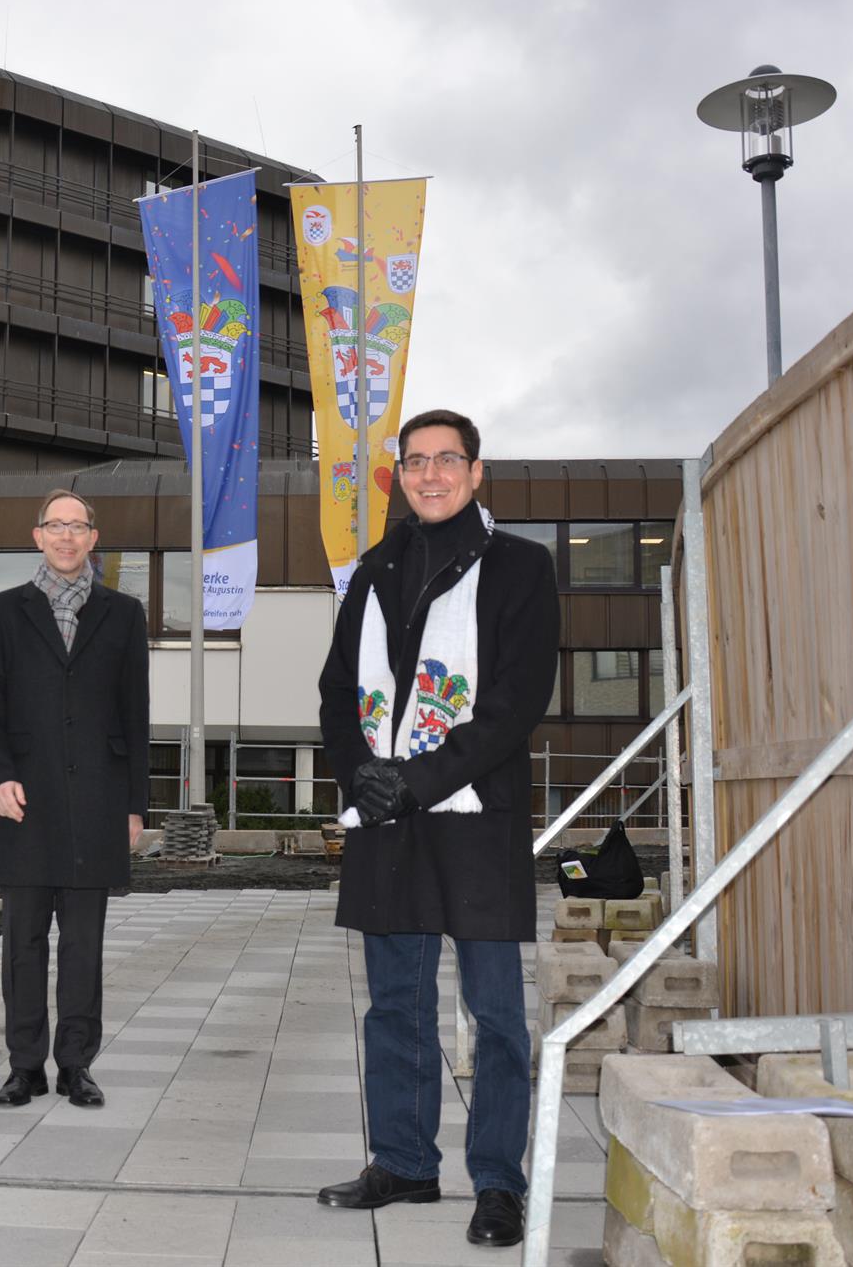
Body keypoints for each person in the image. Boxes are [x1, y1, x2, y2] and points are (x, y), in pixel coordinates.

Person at [315, 410, 560, 1248]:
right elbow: (336, 694)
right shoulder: (373, 570)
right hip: (389, 825)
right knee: (394, 1006)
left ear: (475, 471)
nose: (429, 474)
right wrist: (363, 778)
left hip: (474, 819)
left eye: (445, 459)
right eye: (414, 461)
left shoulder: (522, 567)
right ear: (400, 475)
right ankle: (406, 1164)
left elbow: (514, 704)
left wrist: (413, 780)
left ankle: (497, 1184)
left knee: (495, 1015)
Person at [0, 488, 149, 1108]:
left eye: (78, 527)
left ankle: (75, 1064)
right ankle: (25, 1066)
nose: (67, 537)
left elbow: (136, 712)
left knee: (83, 947)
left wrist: (134, 803)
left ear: (93, 538)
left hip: (98, 799)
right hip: (25, 799)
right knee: (22, 945)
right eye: (55, 526)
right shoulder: (2, 612)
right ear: (37, 535)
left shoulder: (123, 613)